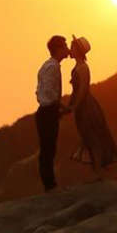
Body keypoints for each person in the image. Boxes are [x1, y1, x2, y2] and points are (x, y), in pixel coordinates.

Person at [69, 36, 117, 179]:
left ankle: (98, 173)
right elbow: (76, 91)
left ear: (78, 50)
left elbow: (83, 89)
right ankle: (96, 172)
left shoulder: (83, 68)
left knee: (92, 138)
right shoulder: (77, 67)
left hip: (87, 108)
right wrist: (70, 106)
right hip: (81, 107)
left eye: (72, 47)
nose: (70, 50)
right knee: (88, 138)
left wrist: (74, 106)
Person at [35, 35, 71, 191]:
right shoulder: (53, 67)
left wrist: (59, 106)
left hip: (45, 111)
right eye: (64, 46)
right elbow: (49, 91)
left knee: (48, 148)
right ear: (58, 49)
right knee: (48, 148)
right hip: (48, 112)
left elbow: (41, 91)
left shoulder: (47, 65)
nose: (67, 49)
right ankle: (50, 185)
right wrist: (59, 107)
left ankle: (49, 183)